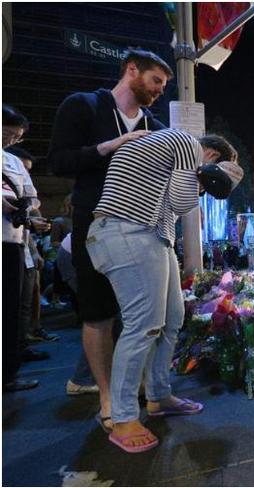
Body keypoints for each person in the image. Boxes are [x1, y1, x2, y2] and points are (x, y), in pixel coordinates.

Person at [86, 129, 242, 452]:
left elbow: (172, 199)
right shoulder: (186, 143)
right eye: (217, 168)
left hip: (152, 235)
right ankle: (123, 417)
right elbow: (185, 201)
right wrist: (209, 180)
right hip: (129, 230)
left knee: (172, 319)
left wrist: (202, 181)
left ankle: (158, 395)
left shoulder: (165, 152)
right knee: (143, 325)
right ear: (211, 157)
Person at [48, 49, 173, 431]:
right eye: (155, 82)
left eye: (164, 87)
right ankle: (106, 396)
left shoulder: (154, 125)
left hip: (145, 230)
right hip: (96, 224)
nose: (158, 93)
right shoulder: (84, 106)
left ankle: (145, 390)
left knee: (150, 315)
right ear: (131, 70)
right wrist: (110, 146)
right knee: (99, 311)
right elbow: (60, 161)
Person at [2, 104, 51, 391]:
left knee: (11, 306)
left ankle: (8, 372)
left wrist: (31, 214)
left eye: (16, 137)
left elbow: (31, 196)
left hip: (13, 241)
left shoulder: (14, 162)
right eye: (8, 133)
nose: (11, 140)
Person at [56, 233, 100, 396]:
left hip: (84, 252)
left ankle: (85, 377)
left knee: (108, 317)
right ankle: (81, 379)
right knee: (103, 316)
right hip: (79, 255)